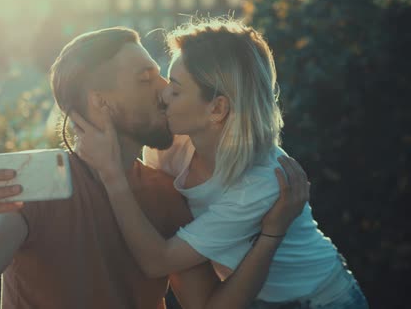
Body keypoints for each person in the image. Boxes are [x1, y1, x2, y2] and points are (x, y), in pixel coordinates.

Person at [0, 26, 309, 309]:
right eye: (145, 78)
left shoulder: (167, 190)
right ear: (101, 103)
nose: (166, 88)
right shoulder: (38, 186)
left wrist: (270, 235)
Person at [72, 19, 369, 308]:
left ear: (217, 108)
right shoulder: (171, 147)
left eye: (175, 90)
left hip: (322, 299)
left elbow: (158, 261)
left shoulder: (260, 181)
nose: (162, 94)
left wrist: (111, 175)